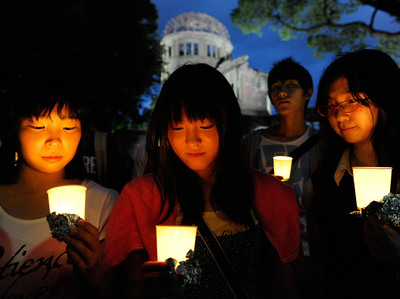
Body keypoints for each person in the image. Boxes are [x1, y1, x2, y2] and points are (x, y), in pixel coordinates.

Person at [103, 63, 302, 298]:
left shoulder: (269, 194)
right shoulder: (140, 198)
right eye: (177, 126)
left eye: (205, 124)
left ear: (228, 123)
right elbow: (127, 286)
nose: (192, 140)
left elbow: (285, 284)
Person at [0, 85, 118, 297]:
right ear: (14, 131)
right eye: (38, 127)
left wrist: (93, 277)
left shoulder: (103, 203)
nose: (54, 140)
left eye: (68, 128)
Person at [308, 49, 400, 298]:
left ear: (384, 96)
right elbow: (321, 260)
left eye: (351, 101)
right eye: (331, 105)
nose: (340, 114)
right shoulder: (324, 181)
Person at [243, 57, 319, 258]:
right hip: (267, 251)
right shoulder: (252, 144)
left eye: (291, 85)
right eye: (276, 87)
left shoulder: (322, 144)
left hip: (313, 248)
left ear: (308, 92)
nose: (282, 92)